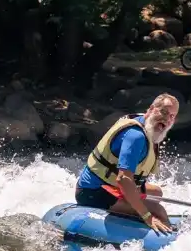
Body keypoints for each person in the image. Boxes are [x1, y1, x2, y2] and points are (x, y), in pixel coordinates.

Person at [74, 93, 179, 234]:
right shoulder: (136, 136)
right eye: (164, 112)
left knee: (157, 193)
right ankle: (168, 240)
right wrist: (147, 216)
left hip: (111, 186)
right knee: (157, 210)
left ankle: (130, 211)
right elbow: (123, 179)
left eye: (172, 116)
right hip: (93, 192)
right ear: (151, 109)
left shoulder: (145, 125)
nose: (166, 119)